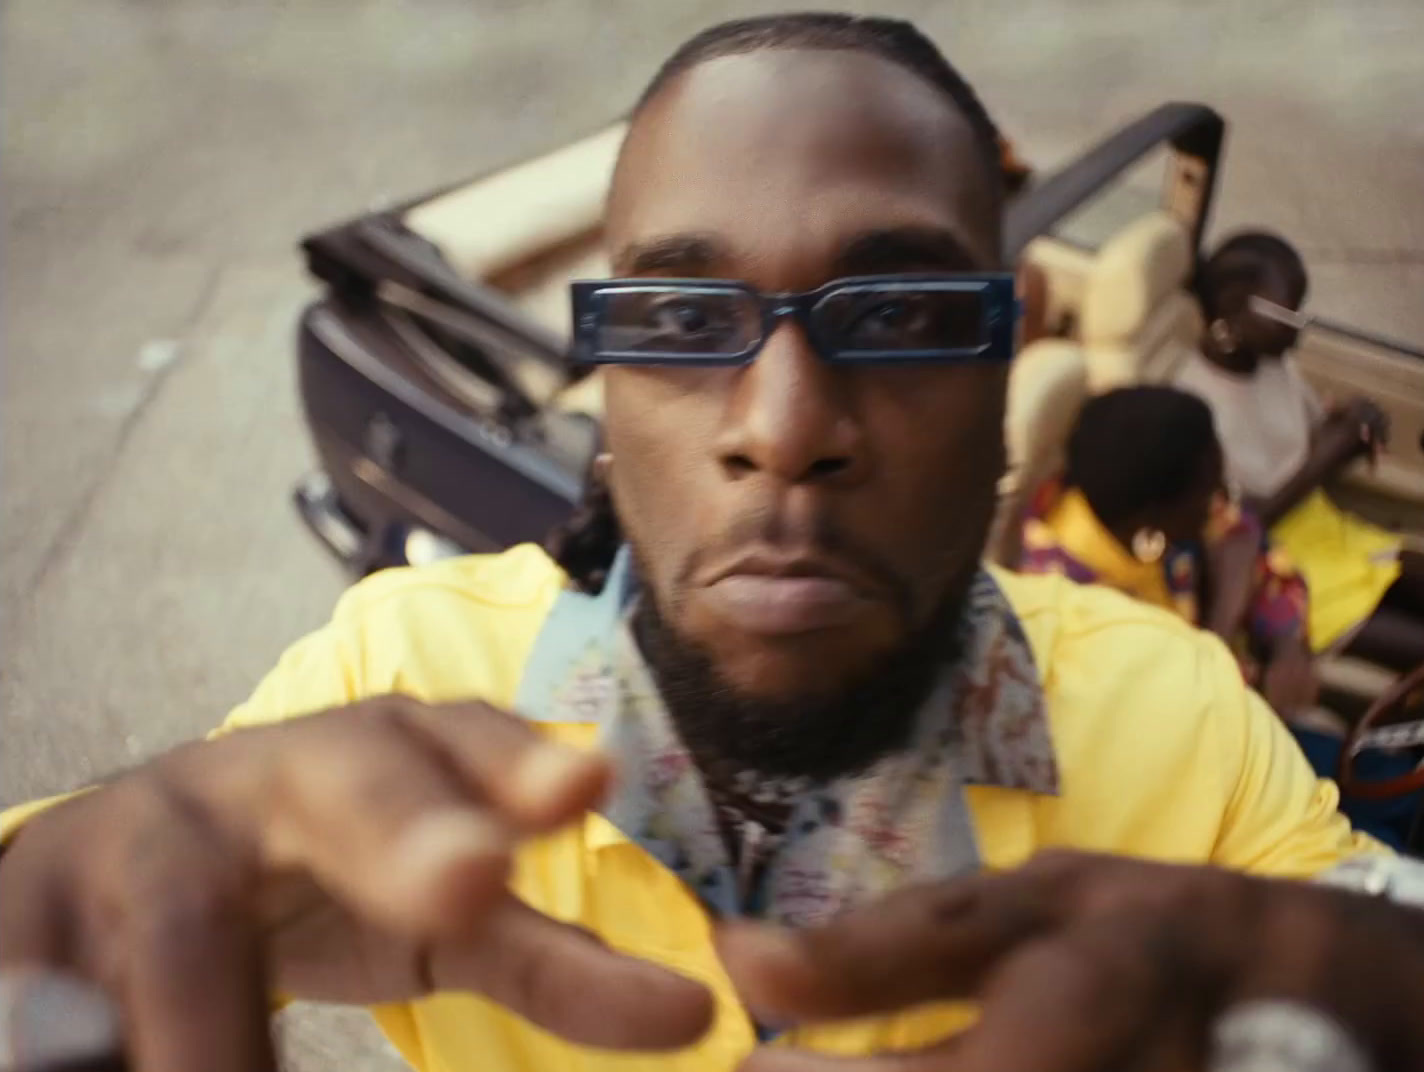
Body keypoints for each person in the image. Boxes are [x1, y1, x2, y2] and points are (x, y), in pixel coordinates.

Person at [0, 13, 1408, 1072]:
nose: (785, 424)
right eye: (680, 323)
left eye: (906, 317)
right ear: (609, 401)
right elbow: (85, 907)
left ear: (1003, 402)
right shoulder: (405, 676)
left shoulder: (1178, 719)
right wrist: (51, 928)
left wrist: (1379, 991)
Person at [1173, 232, 1424, 672]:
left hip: (1332, 536)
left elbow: (1309, 437)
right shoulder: (1196, 410)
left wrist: (1350, 426)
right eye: (1286, 312)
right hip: (1280, 574)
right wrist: (1329, 454)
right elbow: (1236, 533)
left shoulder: (1275, 366)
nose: (1300, 322)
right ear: (1232, 314)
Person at [1019, 385, 1318, 718]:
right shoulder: (1070, 602)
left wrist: (1286, 644)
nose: (1223, 501)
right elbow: (1173, 717)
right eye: (1209, 492)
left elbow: (1265, 558)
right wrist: (1226, 609)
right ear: (1153, 515)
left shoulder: (1154, 515)